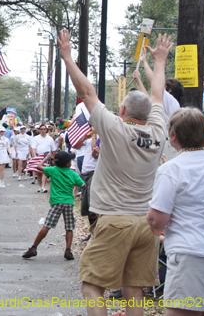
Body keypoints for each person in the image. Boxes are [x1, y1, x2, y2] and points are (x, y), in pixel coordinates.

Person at [59, 29, 171, 316]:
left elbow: (86, 93)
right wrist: (159, 62)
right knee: (134, 289)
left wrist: (68, 58)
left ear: (122, 110)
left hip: (115, 220)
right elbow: (157, 93)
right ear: (147, 114)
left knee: (92, 286)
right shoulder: (158, 130)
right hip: (145, 225)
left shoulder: (114, 127)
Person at [148, 107, 204, 315]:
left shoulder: (171, 169)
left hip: (192, 255)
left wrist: (155, 226)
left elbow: (158, 218)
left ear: (173, 136)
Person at [22, 151, 85, 260]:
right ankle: (68, 250)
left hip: (56, 202)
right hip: (69, 202)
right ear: (67, 164)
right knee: (69, 227)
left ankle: (34, 247)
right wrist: (73, 184)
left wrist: (46, 158)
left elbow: (39, 167)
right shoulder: (73, 174)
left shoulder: (53, 170)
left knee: (47, 225)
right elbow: (83, 185)